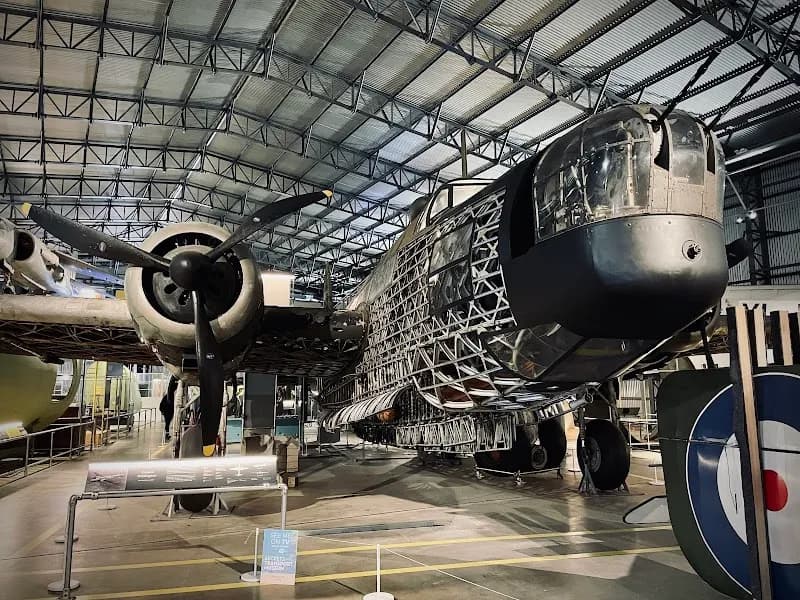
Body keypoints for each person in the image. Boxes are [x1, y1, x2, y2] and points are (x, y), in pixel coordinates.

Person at [159, 376, 178, 441]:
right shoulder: (168, 397)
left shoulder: (169, 397)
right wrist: (163, 411)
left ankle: (167, 434)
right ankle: (167, 434)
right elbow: (161, 406)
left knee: (168, 423)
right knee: (167, 423)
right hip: (168, 413)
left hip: (169, 412)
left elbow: (161, 405)